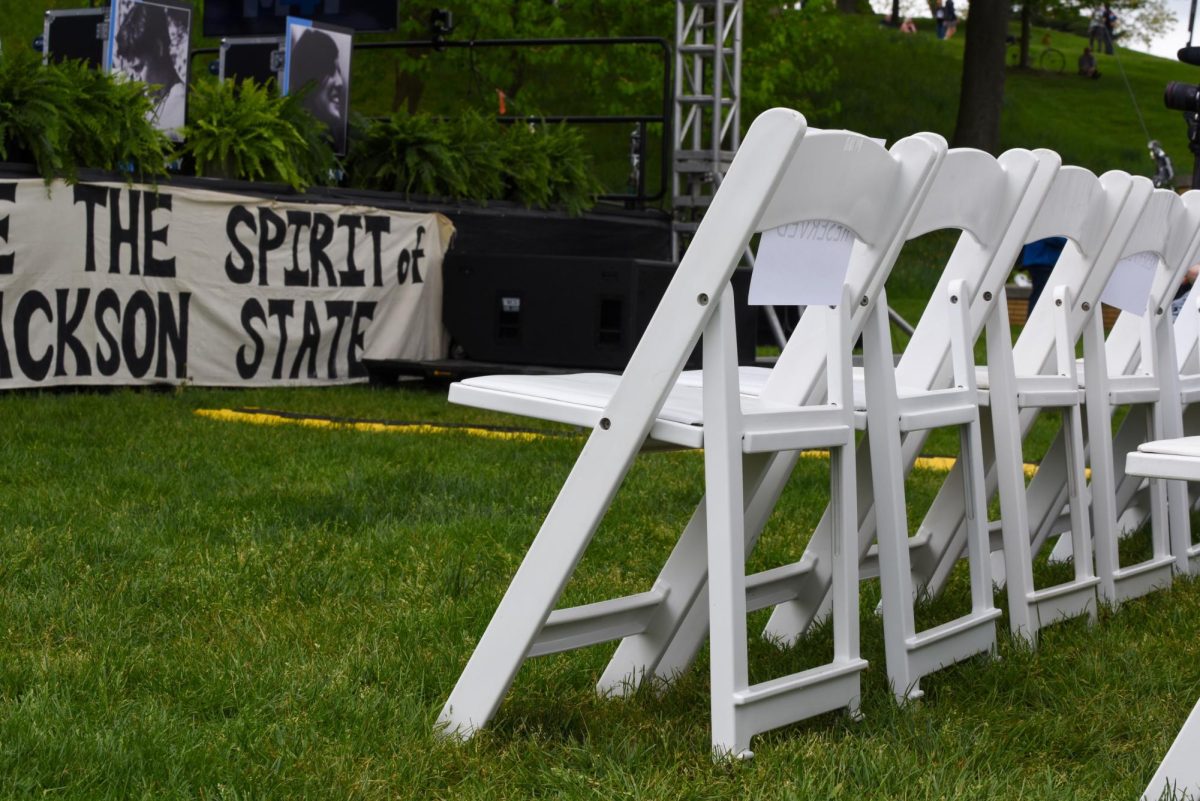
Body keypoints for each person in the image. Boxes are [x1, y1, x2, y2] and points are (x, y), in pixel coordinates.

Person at [113, 2, 187, 140]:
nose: (134, 79)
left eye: (138, 67)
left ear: (159, 47)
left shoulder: (179, 107)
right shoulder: (145, 100)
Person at [288, 26, 349, 154]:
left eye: (339, 71)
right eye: (331, 70)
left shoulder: (340, 140)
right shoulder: (291, 141)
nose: (340, 82)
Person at [1021, 236, 1068, 316]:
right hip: (1043, 260)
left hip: (1040, 259)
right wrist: (1069, 242)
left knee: (1040, 294)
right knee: (1040, 295)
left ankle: (1035, 321)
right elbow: (1052, 235)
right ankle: (1034, 321)